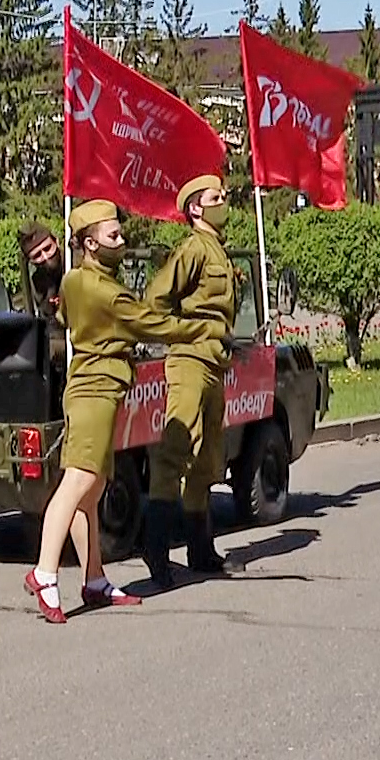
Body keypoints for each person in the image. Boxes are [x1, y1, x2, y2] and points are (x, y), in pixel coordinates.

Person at [21, 200, 227, 624]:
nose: (122, 240)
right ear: (90, 243)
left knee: (92, 490)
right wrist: (203, 328)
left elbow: (62, 314)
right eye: (113, 236)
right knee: (76, 482)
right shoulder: (104, 290)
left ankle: (94, 578)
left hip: (92, 387)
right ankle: (44, 573)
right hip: (96, 391)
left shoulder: (75, 281)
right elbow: (152, 323)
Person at [140, 173, 247, 590]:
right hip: (188, 362)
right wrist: (181, 333)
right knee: (175, 452)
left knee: (208, 458)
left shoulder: (217, 250)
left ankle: (201, 550)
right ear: (195, 209)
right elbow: (156, 299)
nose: (225, 201)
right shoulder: (192, 250)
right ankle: (156, 548)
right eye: (216, 197)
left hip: (215, 363)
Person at [16, 220, 69, 365]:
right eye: (37, 255)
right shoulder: (37, 282)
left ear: (56, 241)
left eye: (47, 248)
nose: (45, 257)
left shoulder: (75, 264)